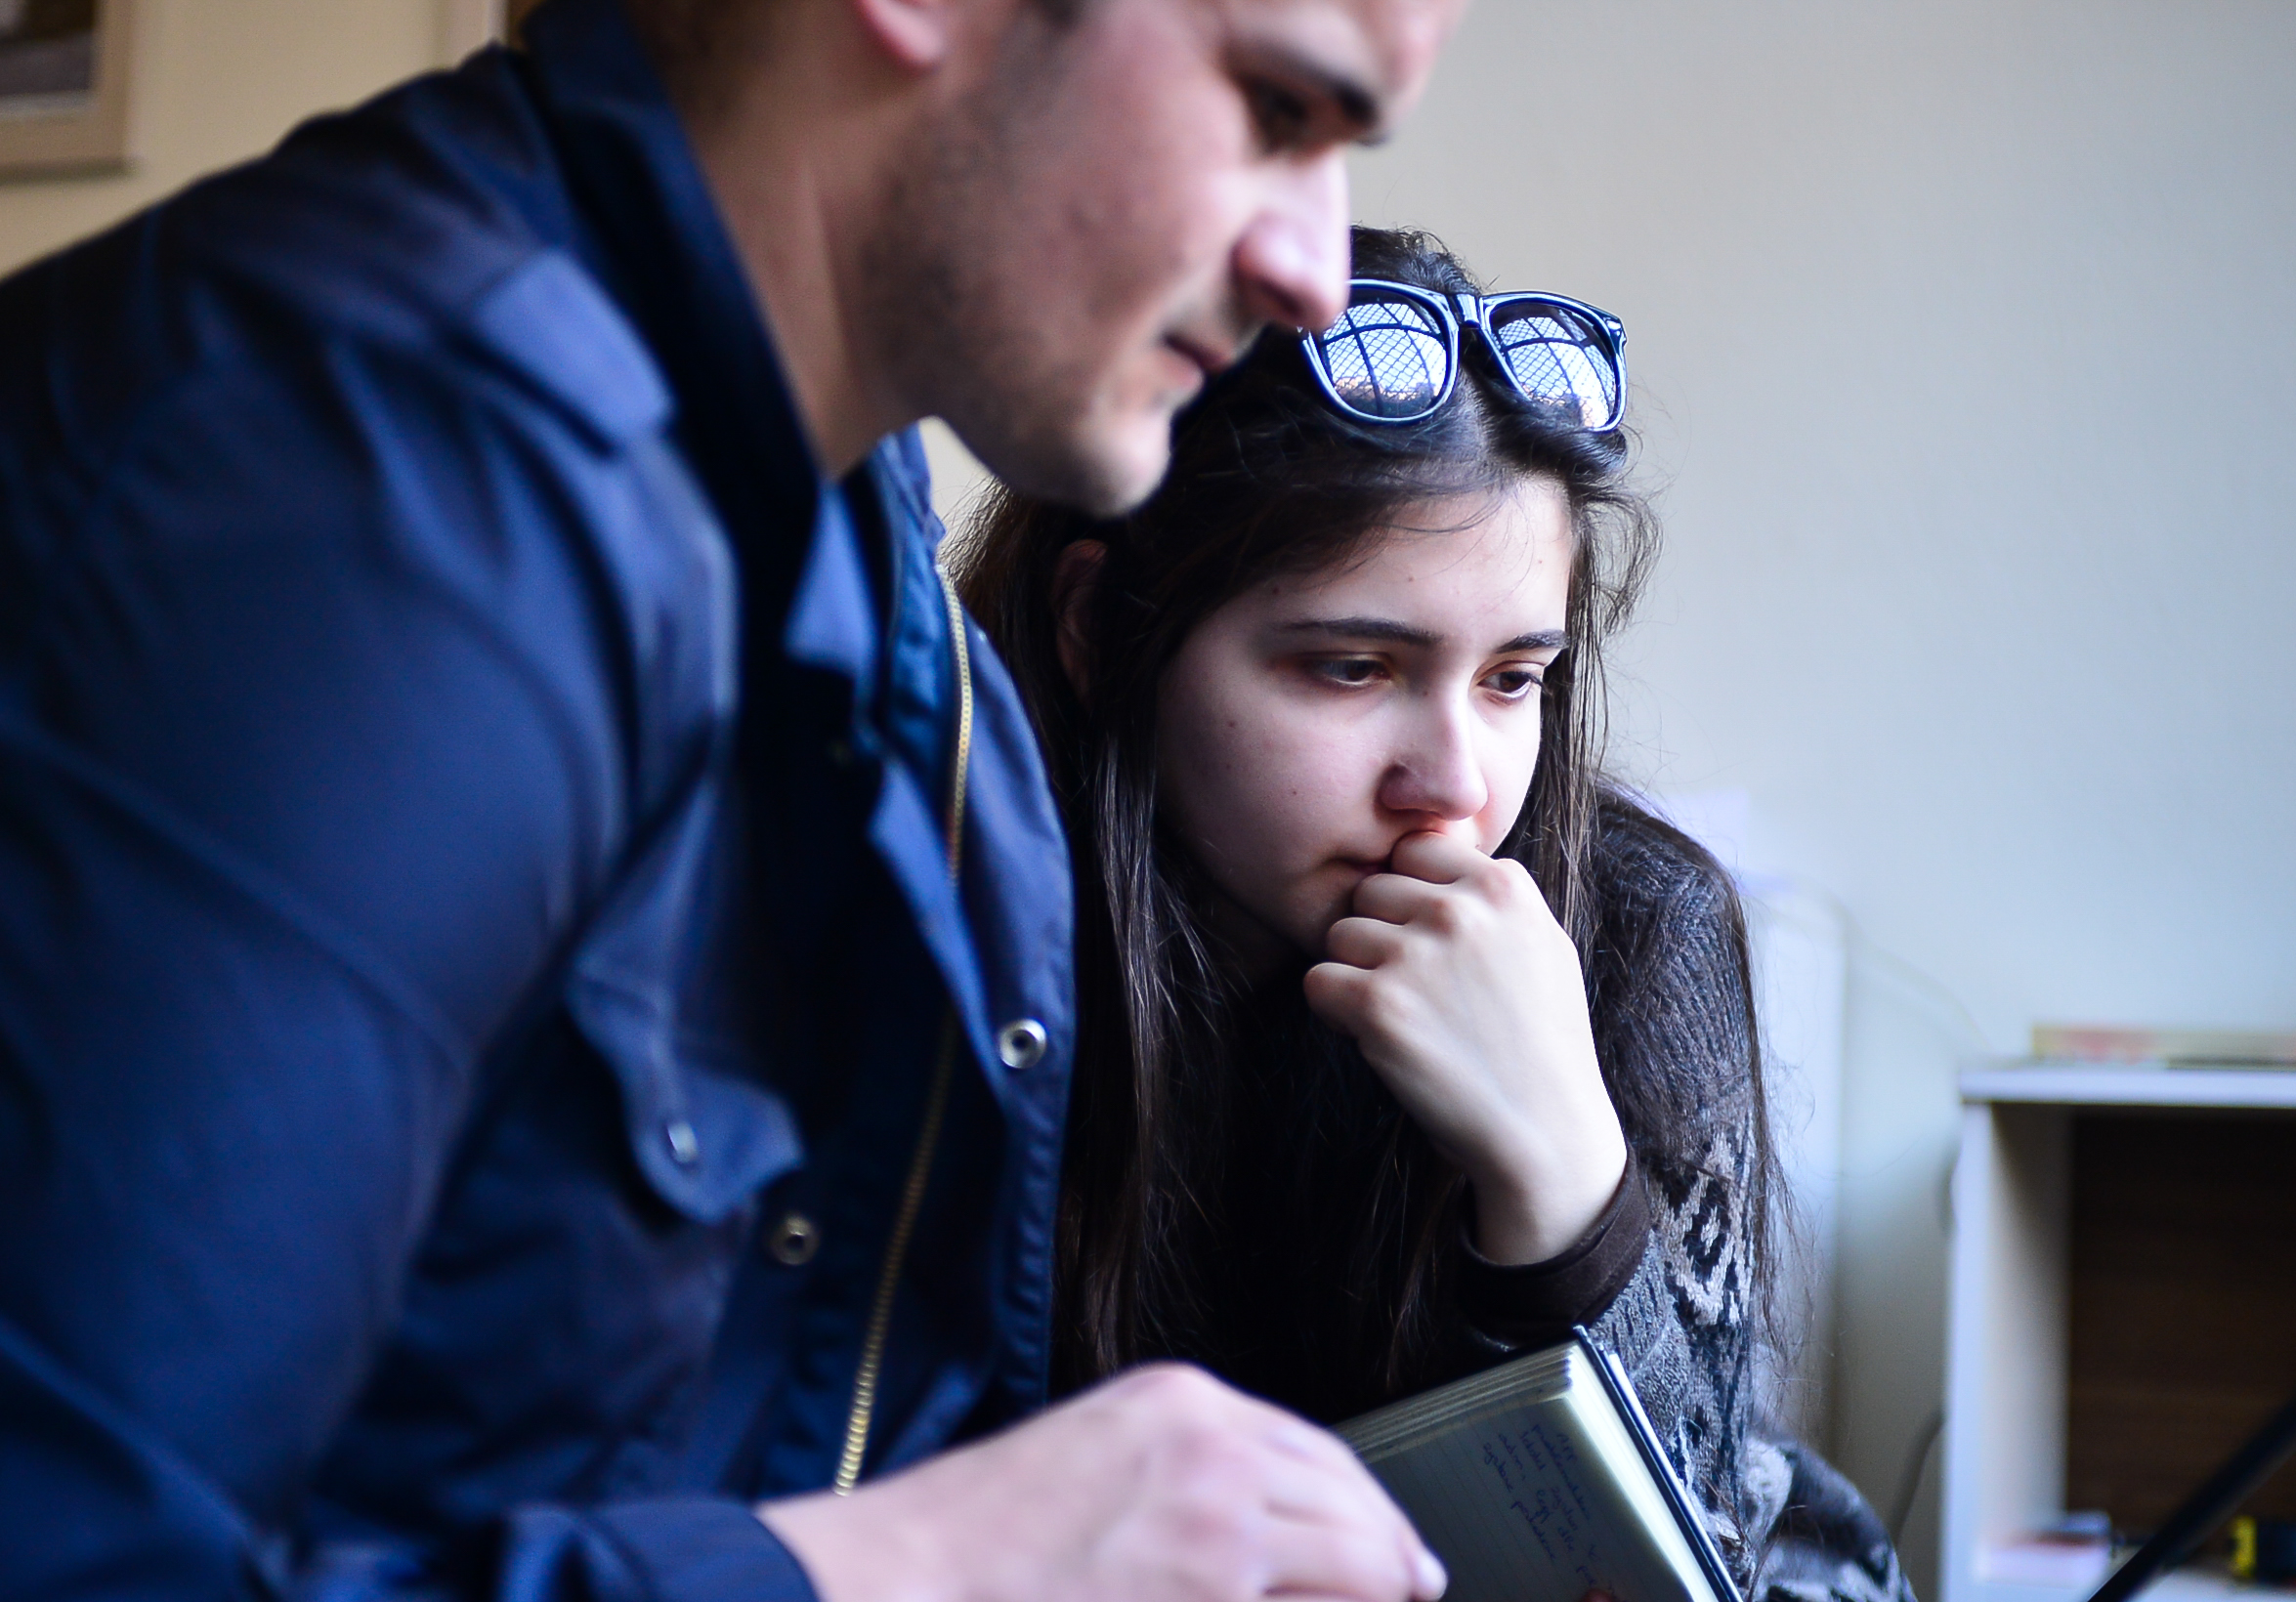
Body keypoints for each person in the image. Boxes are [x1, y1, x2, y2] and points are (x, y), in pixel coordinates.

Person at [0, 4, 1467, 1602]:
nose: (1314, 269)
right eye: (1274, 110)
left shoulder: (838, 524)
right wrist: (925, 1565)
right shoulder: (376, 505)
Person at [952, 226, 1917, 1602]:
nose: (1455, 785)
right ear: (1099, 630)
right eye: (1352, 668)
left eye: (1514, 680)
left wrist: (1571, 1190)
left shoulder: (1634, 927)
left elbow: (1716, 1551)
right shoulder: (938, 935)